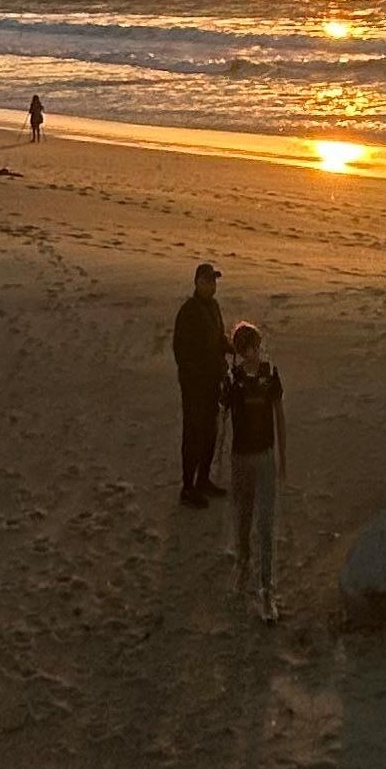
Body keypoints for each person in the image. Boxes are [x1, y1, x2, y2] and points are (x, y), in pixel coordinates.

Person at [220, 319, 286, 619]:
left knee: (266, 525)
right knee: (244, 517)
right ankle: (243, 560)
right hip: (240, 457)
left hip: (264, 456)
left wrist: (282, 458)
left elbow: (279, 417)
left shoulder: (269, 374)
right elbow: (223, 418)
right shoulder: (234, 379)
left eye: (257, 347)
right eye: (250, 349)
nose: (255, 353)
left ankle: (267, 590)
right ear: (240, 351)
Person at [171, 259, 227, 502]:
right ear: (197, 283)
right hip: (195, 386)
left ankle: (203, 479)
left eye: (214, 281)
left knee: (210, 433)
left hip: (213, 382)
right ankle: (188, 487)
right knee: (193, 434)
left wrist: (236, 348)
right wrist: (194, 378)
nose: (212, 285)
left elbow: (219, 338)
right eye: (207, 281)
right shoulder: (188, 312)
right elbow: (180, 352)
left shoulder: (213, 307)